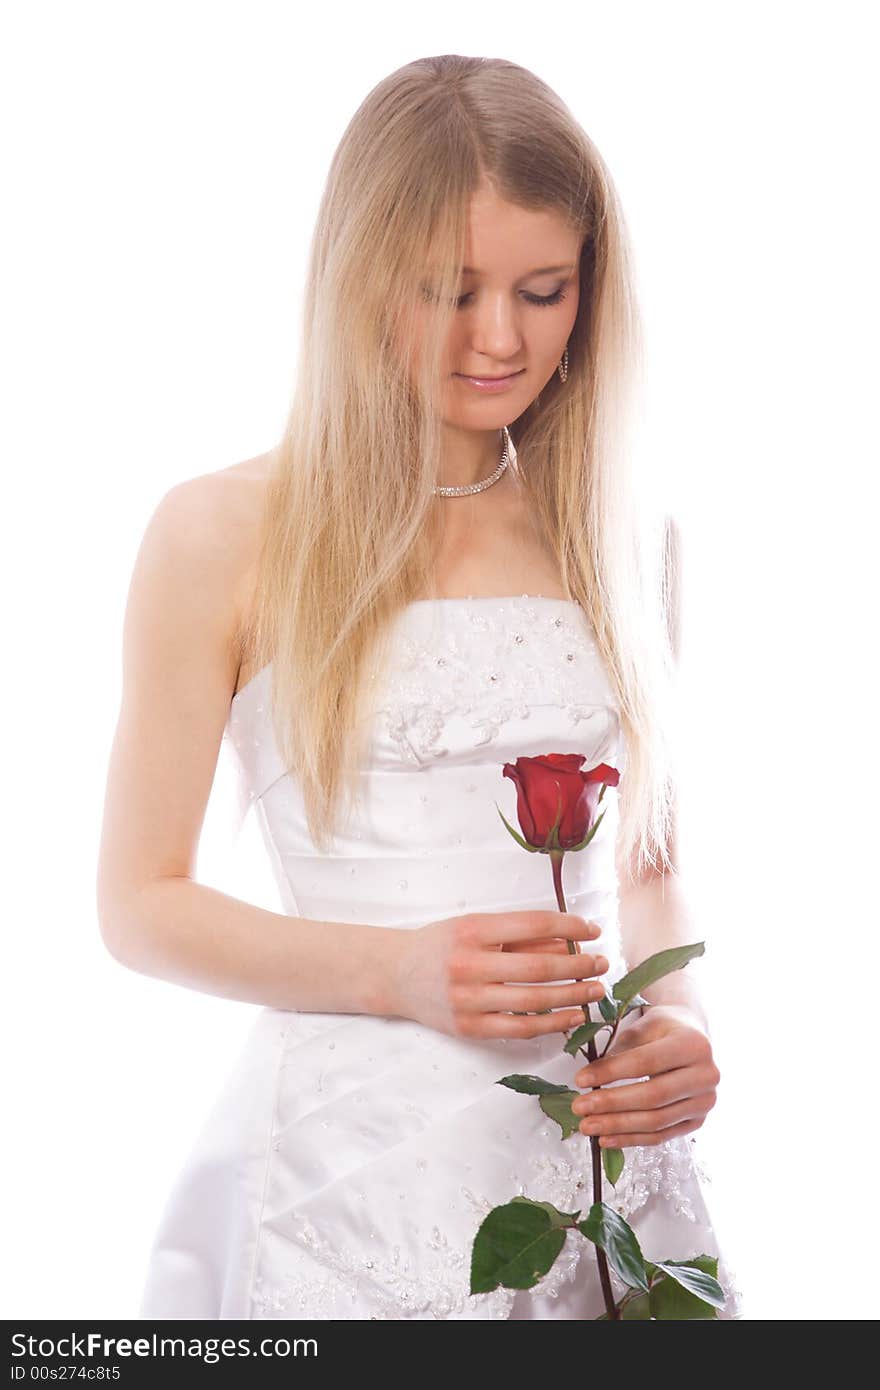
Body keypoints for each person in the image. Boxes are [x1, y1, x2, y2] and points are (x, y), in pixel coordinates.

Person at [97, 53, 744, 1320]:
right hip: (344, 1170)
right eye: (447, 291)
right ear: (356, 279)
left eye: (542, 290)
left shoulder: (626, 539)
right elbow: (138, 904)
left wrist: (683, 1022)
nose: (498, 338)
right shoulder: (221, 533)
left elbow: (651, 871)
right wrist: (393, 972)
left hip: (600, 1159)